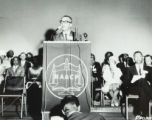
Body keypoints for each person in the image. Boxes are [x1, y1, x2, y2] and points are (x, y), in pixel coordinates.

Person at [123, 51, 152, 117]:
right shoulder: (129, 69)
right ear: (134, 59)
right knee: (142, 81)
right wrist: (132, 80)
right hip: (134, 89)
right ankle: (144, 114)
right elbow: (125, 83)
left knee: (143, 89)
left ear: (142, 58)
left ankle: (142, 115)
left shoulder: (149, 68)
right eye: (136, 56)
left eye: (139, 56)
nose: (138, 58)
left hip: (145, 89)